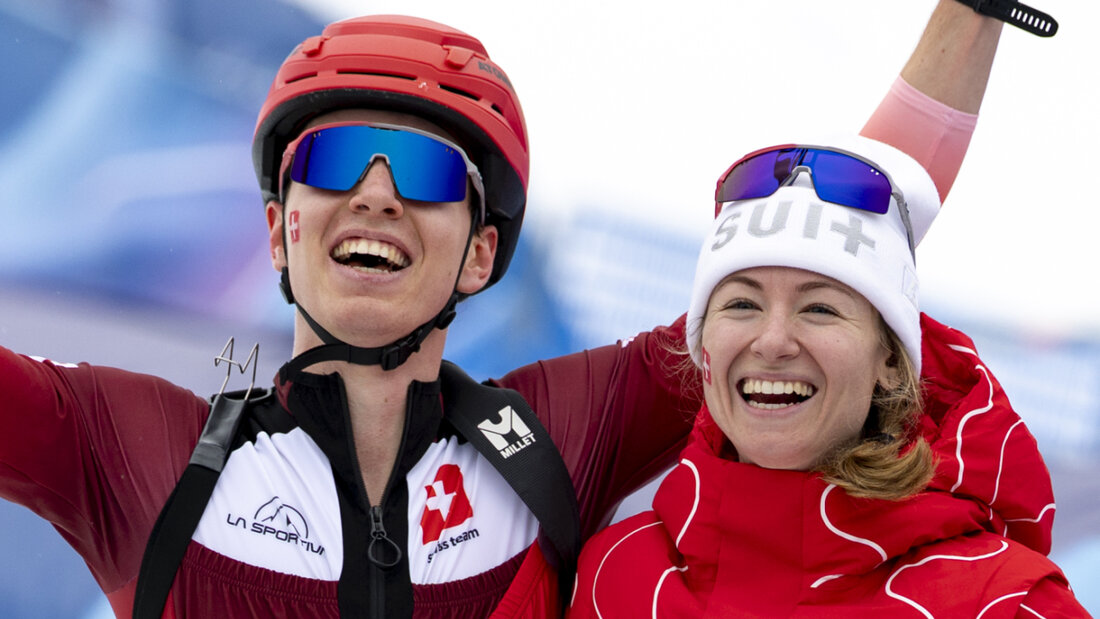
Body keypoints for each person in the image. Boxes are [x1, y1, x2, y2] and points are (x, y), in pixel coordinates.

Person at [0, 2, 1032, 618]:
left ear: (481, 249)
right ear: (279, 230)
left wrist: (966, 13)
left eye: (419, 169)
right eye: (328, 161)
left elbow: (817, 251)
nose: (374, 193)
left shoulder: (562, 427)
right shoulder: (123, 440)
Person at [566, 134, 1089, 616]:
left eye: (819, 309)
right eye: (742, 303)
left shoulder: (1002, 601)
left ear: (889, 361)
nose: (772, 342)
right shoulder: (616, 571)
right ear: (702, 347)